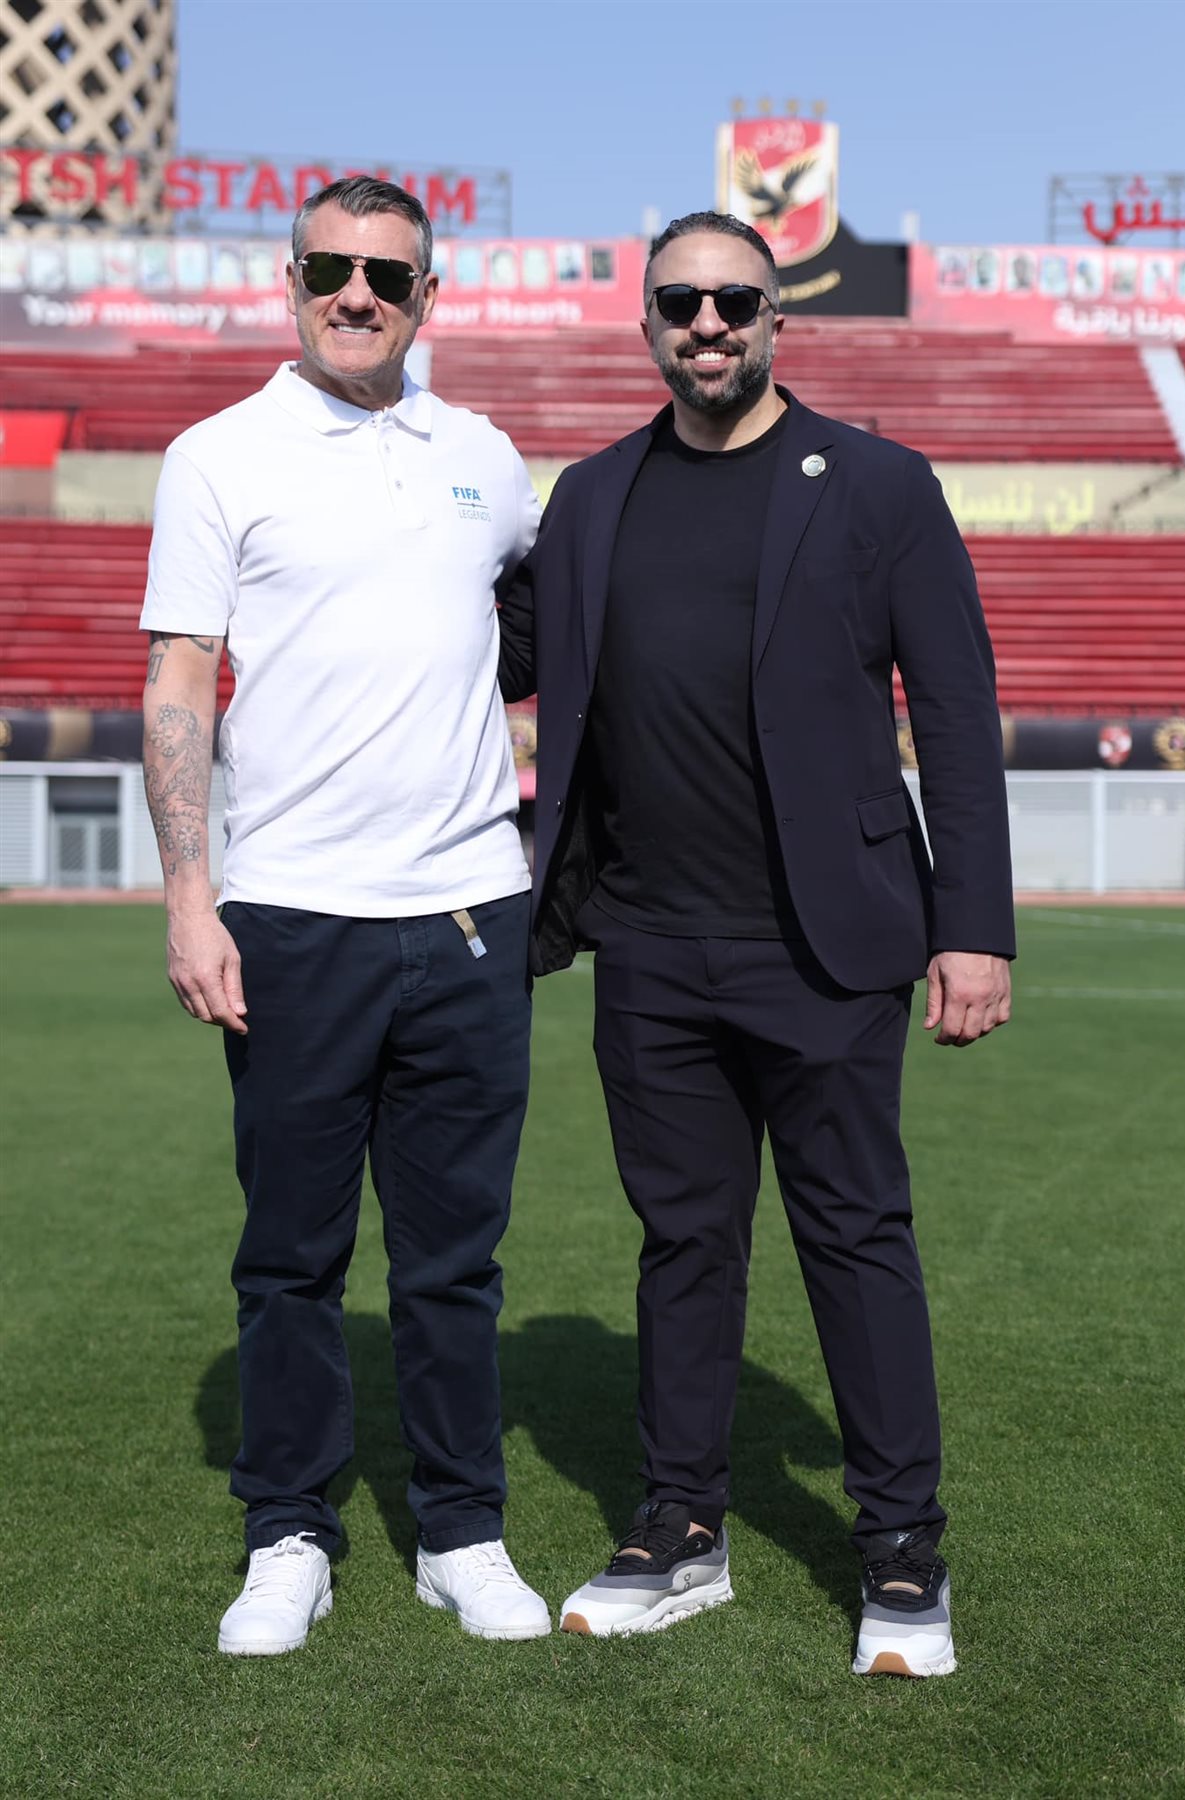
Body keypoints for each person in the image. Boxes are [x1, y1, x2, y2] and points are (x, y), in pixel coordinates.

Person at [497, 211, 1014, 1676]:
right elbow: (484, 644)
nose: (708, 324)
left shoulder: (878, 484)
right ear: (647, 322)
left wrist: (972, 929)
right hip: (648, 944)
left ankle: (900, 1546)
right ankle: (681, 1527)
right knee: (682, 1243)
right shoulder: (592, 496)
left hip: (827, 946)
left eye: (735, 301)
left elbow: (956, 713)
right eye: (682, 303)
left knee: (855, 1238)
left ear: (776, 317)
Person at [140, 176, 550, 1655]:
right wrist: (190, 895)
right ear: (293, 282)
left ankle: (461, 1532)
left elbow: (539, 625)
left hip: (469, 913)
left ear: (428, 297)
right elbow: (180, 678)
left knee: (454, 1263)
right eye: (330, 270)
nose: (356, 294)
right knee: (291, 1260)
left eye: (386, 274)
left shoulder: (484, 457)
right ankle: (289, 1535)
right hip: (293, 916)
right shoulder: (216, 456)